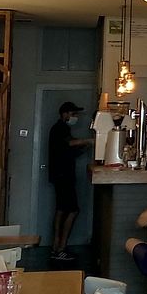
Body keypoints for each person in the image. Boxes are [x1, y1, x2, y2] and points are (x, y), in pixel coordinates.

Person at [47, 101, 94, 260]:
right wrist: (90, 141)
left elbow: (69, 150)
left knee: (61, 209)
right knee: (73, 210)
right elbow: (70, 143)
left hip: (59, 175)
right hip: (64, 175)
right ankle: (61, 247)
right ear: (65, 114)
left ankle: (56, 246)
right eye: (73, 114)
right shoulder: (60, 128)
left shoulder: (59, 129)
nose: (75, 117)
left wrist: (85, 147)